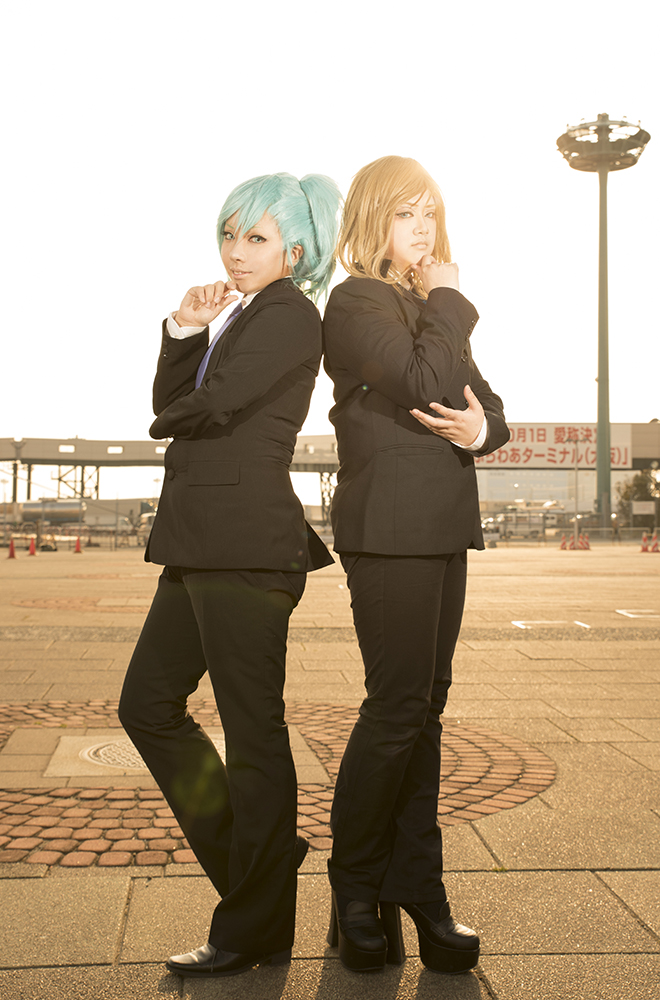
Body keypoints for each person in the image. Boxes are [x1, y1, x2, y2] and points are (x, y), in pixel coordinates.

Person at [118, 172, 341, 978]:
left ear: (296, 250)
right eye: (228, 234)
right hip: (201, 543)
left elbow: (204, 407)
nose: (235, 252)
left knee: (252, 734)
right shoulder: (240, 316)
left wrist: (168, 415)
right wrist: (185, 327)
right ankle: (262, 865)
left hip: (244, 547)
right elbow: (181, 395)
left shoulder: (291, 314)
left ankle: (253, 921)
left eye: (256, 237)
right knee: (146, 706)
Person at [322, 155, 510, 974]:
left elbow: (487, 406)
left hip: (441, 526)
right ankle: (355, 889)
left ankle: (418, 887)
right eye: (406, 214)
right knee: (396, 709)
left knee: (424, 713)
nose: (424, 228)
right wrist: (449, 300)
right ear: (373, 220)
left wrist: (480, 431)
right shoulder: (357, 302)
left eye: (430, 212)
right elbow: (428, 378)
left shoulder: (426, 310)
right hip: (391, 527)